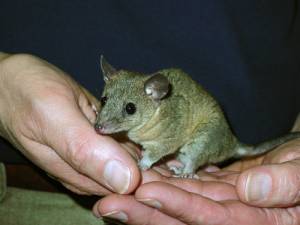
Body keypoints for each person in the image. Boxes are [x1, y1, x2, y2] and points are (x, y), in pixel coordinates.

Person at [1, 1, 299, 225]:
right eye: (105, 102)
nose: (104, 121)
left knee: (201, 132)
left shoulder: (163, 115)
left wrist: (148, 160)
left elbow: (166, 141)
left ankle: (189, 166)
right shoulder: (127, 95)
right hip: (24, 196)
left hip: (225, 153)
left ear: (154, 97)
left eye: (128, 110)